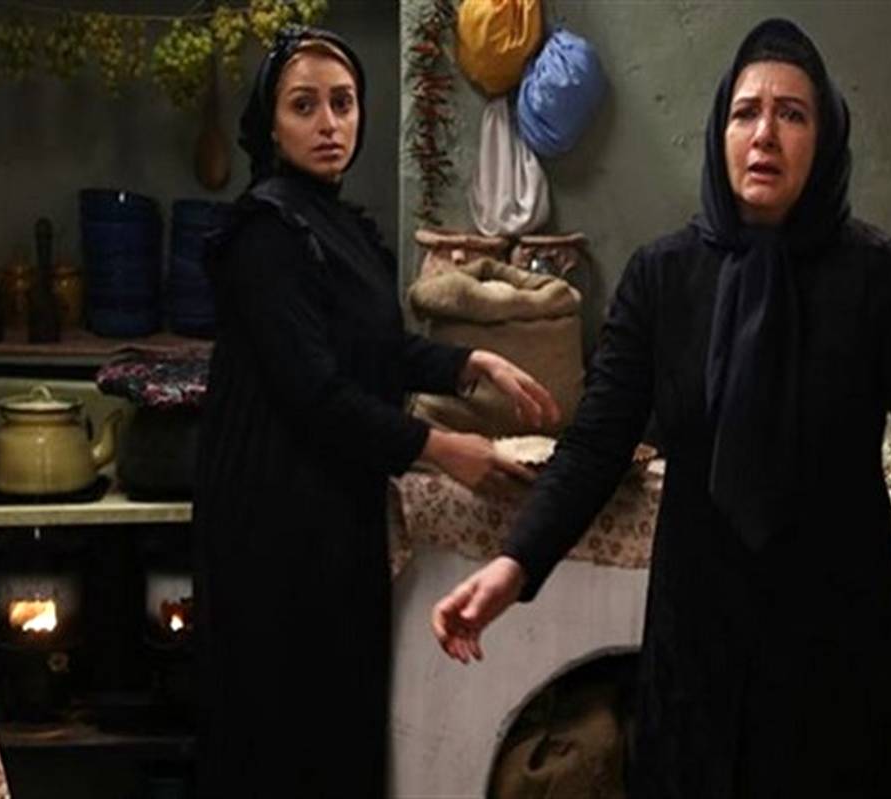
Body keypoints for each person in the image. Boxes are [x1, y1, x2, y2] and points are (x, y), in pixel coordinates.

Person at [431, 18, 891, 798]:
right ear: (720, 132)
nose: (765, 134)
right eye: (745, 112)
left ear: (824, 139)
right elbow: (595, 446)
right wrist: (516, 563)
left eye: (792, 114)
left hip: (840, 642)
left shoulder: (878, 277)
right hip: (700, 637)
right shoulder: (663, 279)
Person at [192, 26, 559, 798]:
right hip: (273, 518)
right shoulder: (266, 233)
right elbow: (316, 394)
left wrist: (470, 362)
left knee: (337, 712)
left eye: (344, 103)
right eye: (304, 106)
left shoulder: (338, 225)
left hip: (332, 502)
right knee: (283, 728)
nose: (330, 123)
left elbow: (376, 349)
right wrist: (443, 448)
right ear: (270, 124)